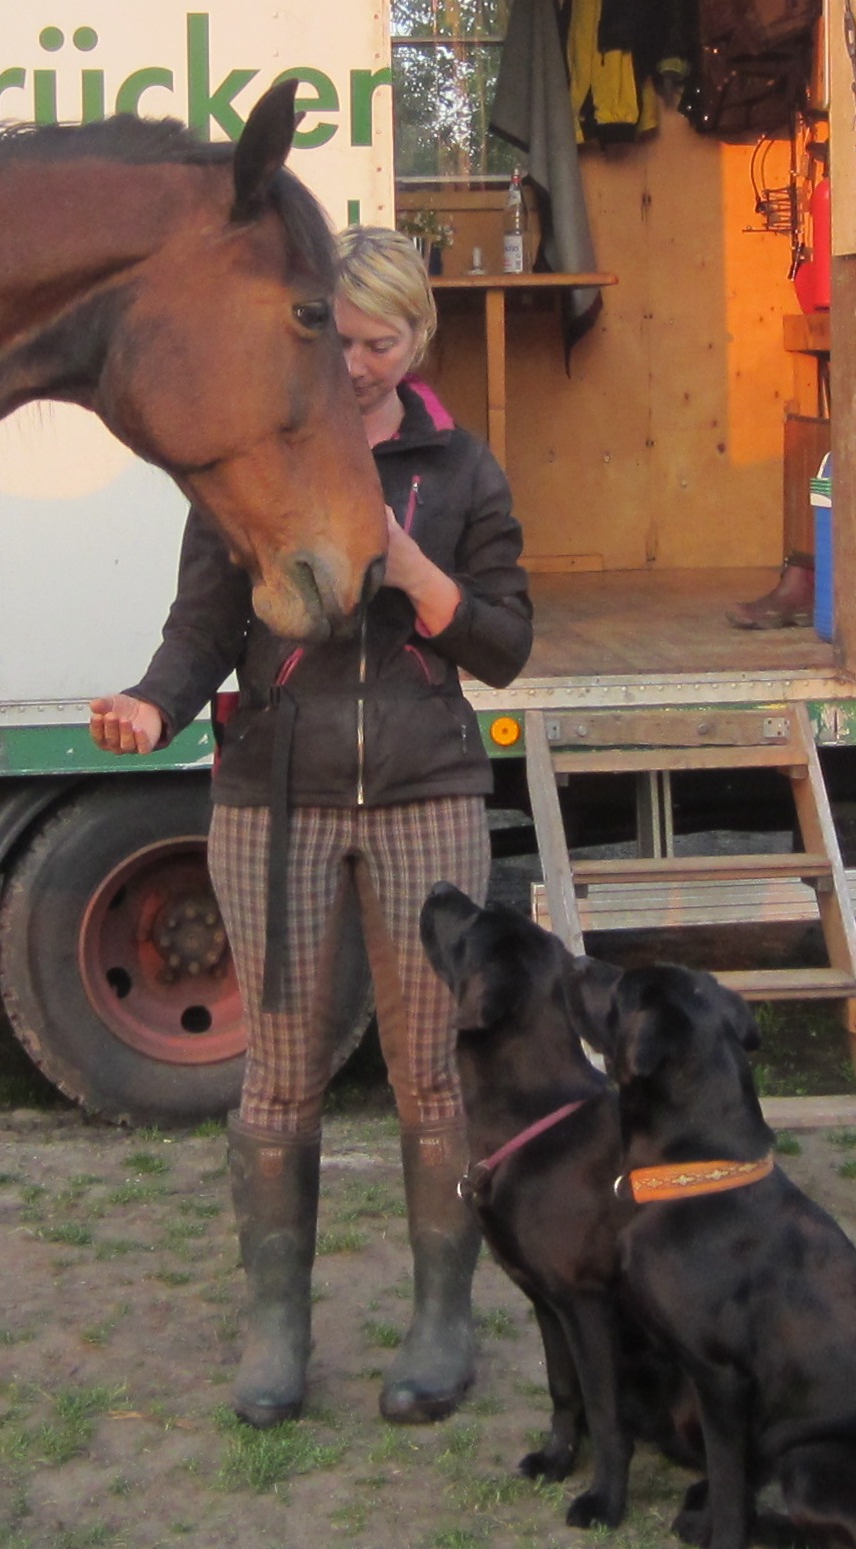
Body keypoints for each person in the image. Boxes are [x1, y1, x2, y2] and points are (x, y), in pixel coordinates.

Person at [89, 226, 532, 1430]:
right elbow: (200, 628)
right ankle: (277, 1331)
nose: (352, 366)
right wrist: (150, 700)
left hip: (425, 793)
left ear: (418, 340)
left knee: (432, 1074)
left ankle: (442, 1325)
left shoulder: (463, 467)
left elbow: (504, 644)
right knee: (279, 1077)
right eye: (334, 342)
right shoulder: (252, 455)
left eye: (377, 344)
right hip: (270, 801)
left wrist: (404, 568)